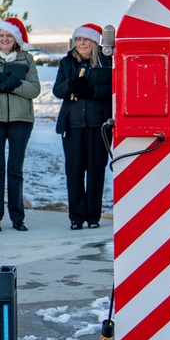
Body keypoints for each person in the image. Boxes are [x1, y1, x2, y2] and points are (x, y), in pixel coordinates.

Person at [0, 17, 41, 232]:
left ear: (16, 39)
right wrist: (0, 87)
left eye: (8, 35)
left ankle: (17, 217)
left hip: (21, 120)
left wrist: (16, 84)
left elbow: (35, 89)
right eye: (1, 35)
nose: (4, 39)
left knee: (15, 169)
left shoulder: (27, 59)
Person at [52, 23, 113, 230]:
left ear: (94, 42)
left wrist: (93, 91)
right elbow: (57, 90)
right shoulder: (67, 62)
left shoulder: (106, 62)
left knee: (96, 170)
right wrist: (71, 84)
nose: (81, 43)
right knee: (75, 171)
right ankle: (76, 217)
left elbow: (114, 89)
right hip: (74, 123)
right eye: (78, 40)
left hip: (98, 124)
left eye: (85, 40)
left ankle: (93, 216)